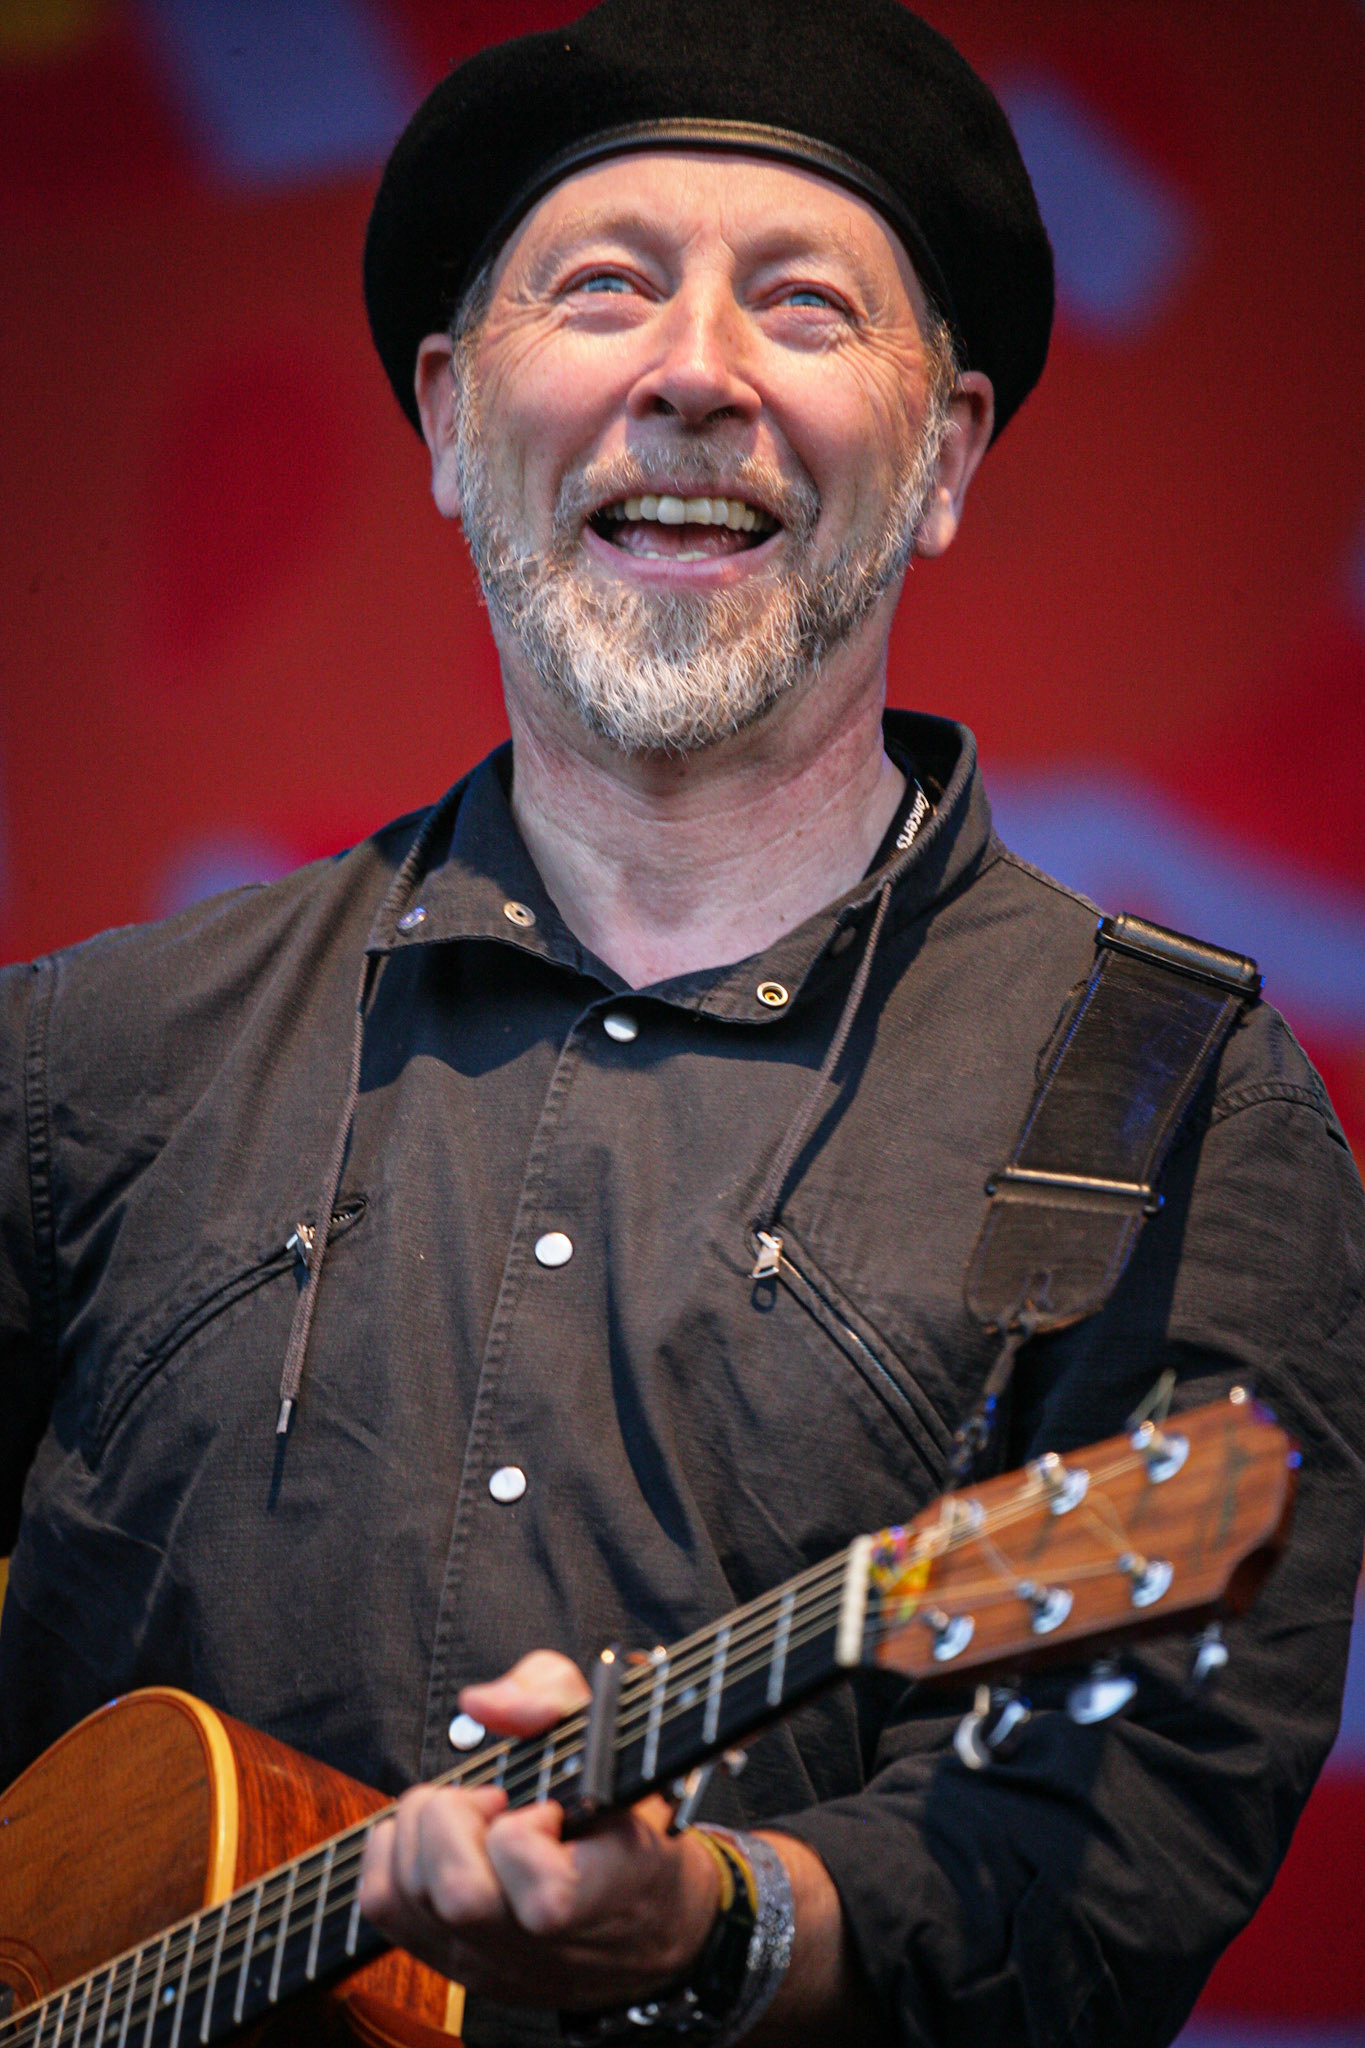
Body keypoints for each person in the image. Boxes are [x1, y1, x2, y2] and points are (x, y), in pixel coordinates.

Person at [2, 3, 1362, 2044]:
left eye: (804, 309)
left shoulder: (1169, 1095)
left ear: (943, 460)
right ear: (455, 418)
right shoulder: (90, 1054)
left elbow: (1121, 1851)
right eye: (607, 285)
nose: (696, 374)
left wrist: (714, 1921)